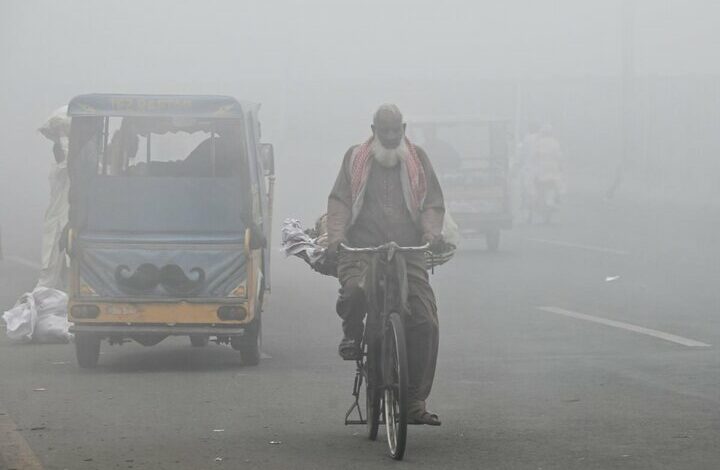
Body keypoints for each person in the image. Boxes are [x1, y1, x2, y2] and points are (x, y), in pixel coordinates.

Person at [327, 104, 445, 426]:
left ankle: (414, 401)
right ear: (373, 129)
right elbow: (339, 201)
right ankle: (352, 335)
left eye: (396, 131)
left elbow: (432, 203)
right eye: (385, 131)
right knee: (354, 290)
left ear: (404, 129)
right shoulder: (355, 158)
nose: (391, 137)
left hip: (409, 251)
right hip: (362, 248)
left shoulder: (418, 159)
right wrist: (336, 236)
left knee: (425, 321)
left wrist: (431, 232)